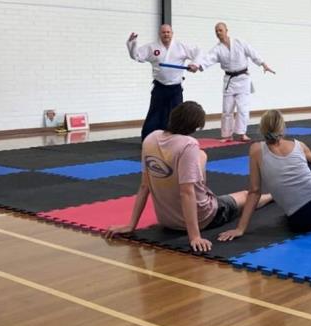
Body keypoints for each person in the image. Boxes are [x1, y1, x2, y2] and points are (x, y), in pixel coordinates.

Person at [105, 101, 272, 252]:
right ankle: (272, 195)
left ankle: (204, 189)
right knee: (246, 195)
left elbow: (144, 186)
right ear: (194, 127)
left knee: (201, 155)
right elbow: (187, 192)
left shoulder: (150, 138)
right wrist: (195, 236)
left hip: (166, 220)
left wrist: (131, 225)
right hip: (205, 217)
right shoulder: (188, 144)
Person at [217, 110, 311, 240]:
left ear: (262, 129)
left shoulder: (256, 149)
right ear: (282, 128)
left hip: (302, 220)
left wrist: (240, 229)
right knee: (306, 162)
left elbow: (254, 191)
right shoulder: (299, 145)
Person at [199, 22, 275, 142]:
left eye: (220, 30)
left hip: (243, 79)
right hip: (229, 80)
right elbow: (207, 59)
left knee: (243, 108)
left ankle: (241, 133)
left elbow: (252, 53)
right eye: (216, 31)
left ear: (226, 30)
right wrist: (198, 66)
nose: (218, 33)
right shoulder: (217, 49)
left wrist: (263, 64)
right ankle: (227, 135)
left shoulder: (239, 42)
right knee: (227, 110)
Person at [127, 25, 202, 141]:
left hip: (176, 88)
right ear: (159, 34)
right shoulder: (152, 47)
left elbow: (198, 52)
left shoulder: (180, 46)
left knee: (177, 115)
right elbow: (136, 55)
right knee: (155, 113)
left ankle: (176, 140)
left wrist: (195, 64)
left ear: (172, 33)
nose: (166, 34)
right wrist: (132, 43)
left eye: (168, 32)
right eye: (163, 32)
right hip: (160, 86)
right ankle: (148, 141)